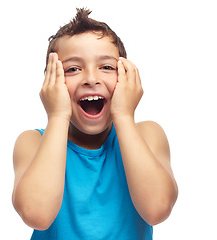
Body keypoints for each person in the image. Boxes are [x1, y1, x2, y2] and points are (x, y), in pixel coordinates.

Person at [12, 8, 178, 240]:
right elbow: (37, 214)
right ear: (52, 83)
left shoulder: (148, 134)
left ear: (125, 78)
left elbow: (157, 210)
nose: (91, 78)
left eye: (107, 67)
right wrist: (58, 115)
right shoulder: (32, 142)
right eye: (72, 69)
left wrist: (124, 115)